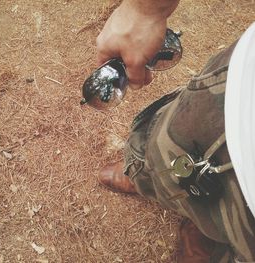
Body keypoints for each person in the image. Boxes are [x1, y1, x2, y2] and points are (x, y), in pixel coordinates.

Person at [95, 0, 255, 262]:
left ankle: (207, 237)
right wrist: (147, 9)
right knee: (165, 144)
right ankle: (145, 176)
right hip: (243, 98)